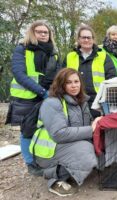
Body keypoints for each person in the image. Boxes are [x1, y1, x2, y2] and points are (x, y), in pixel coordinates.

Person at [29, 68, 100, 197]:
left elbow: (86, 125)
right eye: (68, 82)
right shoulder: (52, 103)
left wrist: (97, 122)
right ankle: (53, 177)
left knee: (95, 145)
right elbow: (59, 134)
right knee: (86, 149)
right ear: (61, 84)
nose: (74, 85)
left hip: (63, 146)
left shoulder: (81, 102)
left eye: (76, 81)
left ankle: (70, 168)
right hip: (48, 151)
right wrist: (92, 129)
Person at [6, 20, 60, 176]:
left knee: (44, 129)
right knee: (27, 130)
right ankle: (30, 163)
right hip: (27, 97)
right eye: (39, 32)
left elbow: (57, 75)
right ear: (32, 33)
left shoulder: (53, 53)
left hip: (46, 96)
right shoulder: (22, 49)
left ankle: (41, 158)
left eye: (46, 32)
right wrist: (42, 91)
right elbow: (19, 74)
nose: (43, 34)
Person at [63, 24, 116, 118]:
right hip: (74, 101)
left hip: (97, 103)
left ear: (93, 40)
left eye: (89, 37)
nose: (86, 40)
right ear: (78, 39)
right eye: (83, 37)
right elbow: (61, 79)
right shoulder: (69, 56)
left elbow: (112, 80)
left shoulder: (103, 56)